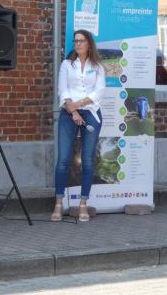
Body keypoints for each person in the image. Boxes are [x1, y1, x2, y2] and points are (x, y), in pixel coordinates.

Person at [51, 29, 105, 222]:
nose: (78, 44)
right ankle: (58, 203)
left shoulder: (97, 66)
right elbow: (62, 89)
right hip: (68, 112)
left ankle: (83, 204)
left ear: (89, 43)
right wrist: (72, 111)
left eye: (82, 41)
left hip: (91, 112)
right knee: (63, 159)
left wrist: (79, 105)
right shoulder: (67, 64)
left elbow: (99, 92)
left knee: (88, 160)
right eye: (76, 41)